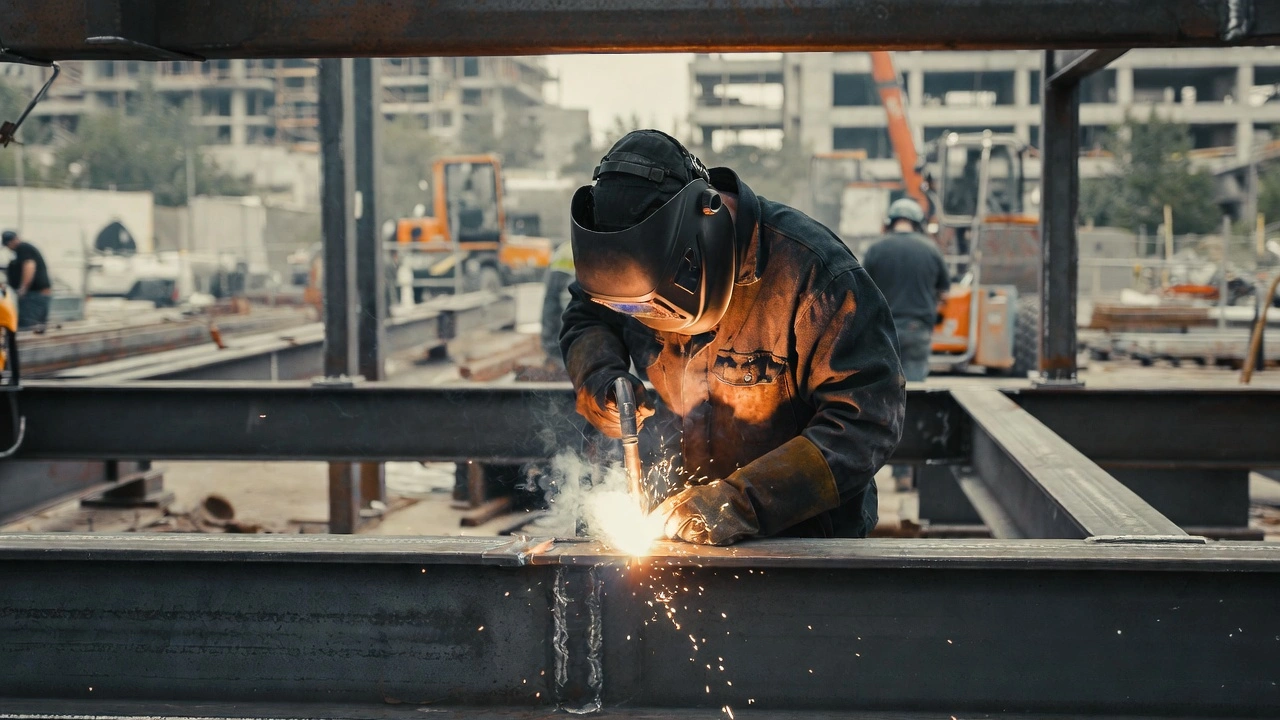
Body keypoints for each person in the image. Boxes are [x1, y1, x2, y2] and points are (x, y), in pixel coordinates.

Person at [561, 130, 904, 546]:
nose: (653, 321)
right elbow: (587, 314)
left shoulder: (816, 277)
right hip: (681, 528)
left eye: (658, 306)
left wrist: (739, 503)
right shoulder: (624, 261)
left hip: (804, 539)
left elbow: (866, 423)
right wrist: (599, 375)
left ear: (704, 235)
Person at [861, 198, 950, 384]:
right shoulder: (931, 250)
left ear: (890, 222)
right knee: (914, 392)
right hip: (917, 329)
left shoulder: (875, 249)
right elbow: (945, 294)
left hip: (882, 331)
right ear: (918, 224)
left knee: (883, 391)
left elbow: (861, 292)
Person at [3, 230, 52, 331]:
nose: (8, 248)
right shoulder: (20, 252)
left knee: (27, 327)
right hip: (36, 295)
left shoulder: (23, 248)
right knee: (36, 328)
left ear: (12, 241)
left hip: (34, 296)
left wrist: (23, 288)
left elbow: (29, 265)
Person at [540, 242, 575, 371]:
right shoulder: (591, 245)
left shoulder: (564, 248)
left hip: (555, 273)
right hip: (572, 275)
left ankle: (555, 353)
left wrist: (548, 344)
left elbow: (549, 308)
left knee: (553, 308)